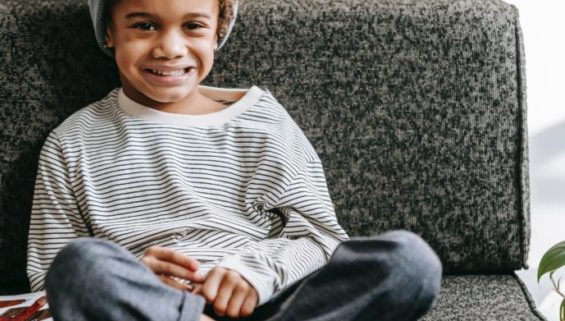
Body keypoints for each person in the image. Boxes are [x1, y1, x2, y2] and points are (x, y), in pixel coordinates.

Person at [26, 0, 443, 320]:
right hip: (153, 309)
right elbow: (49, 281)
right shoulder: (72, 141)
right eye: (144, 25)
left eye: (192, 26)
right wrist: (136, 274)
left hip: (270, 300)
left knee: (409, 262)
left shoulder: (261, 118)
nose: (170, 48)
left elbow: (321, 239)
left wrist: (254, 273)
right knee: (80, 267)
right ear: (110, 32)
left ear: (218, 30)